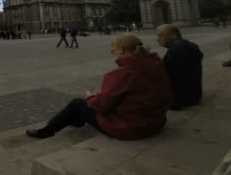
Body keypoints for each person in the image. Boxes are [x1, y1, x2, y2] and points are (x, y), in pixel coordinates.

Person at [26, 33, 173, 140]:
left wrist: (91, 96)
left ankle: (46, 131)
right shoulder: (156, 64)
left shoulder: (125, 73)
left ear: (122, 50)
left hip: (131, 127)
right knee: (83, 107)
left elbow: (102, 106)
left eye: (114, 51)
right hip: (155, 121)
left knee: (78, 103)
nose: (114, 54)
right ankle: (76, 120)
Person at [156, 24, 203, 110]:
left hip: (180, 100)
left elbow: (165, 75)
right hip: (194, 95)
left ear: (173, 35)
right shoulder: (190, 45)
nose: (157, 39)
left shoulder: (177, 50)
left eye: (161, 35)